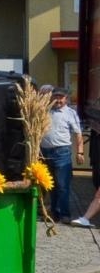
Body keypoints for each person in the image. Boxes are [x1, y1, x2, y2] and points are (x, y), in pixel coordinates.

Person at [41, 87, 84, 222]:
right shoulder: (45, 111)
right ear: (52, 97)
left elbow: (78, 133)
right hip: (44, 153)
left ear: (66, 98)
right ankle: (55, 213)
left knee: (62, 185)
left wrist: (80, 152)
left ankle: (64, 214)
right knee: (51, 185)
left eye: (61, 97)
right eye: (56, 97)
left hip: (62, 152)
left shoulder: (70, 113)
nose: (58, 100)